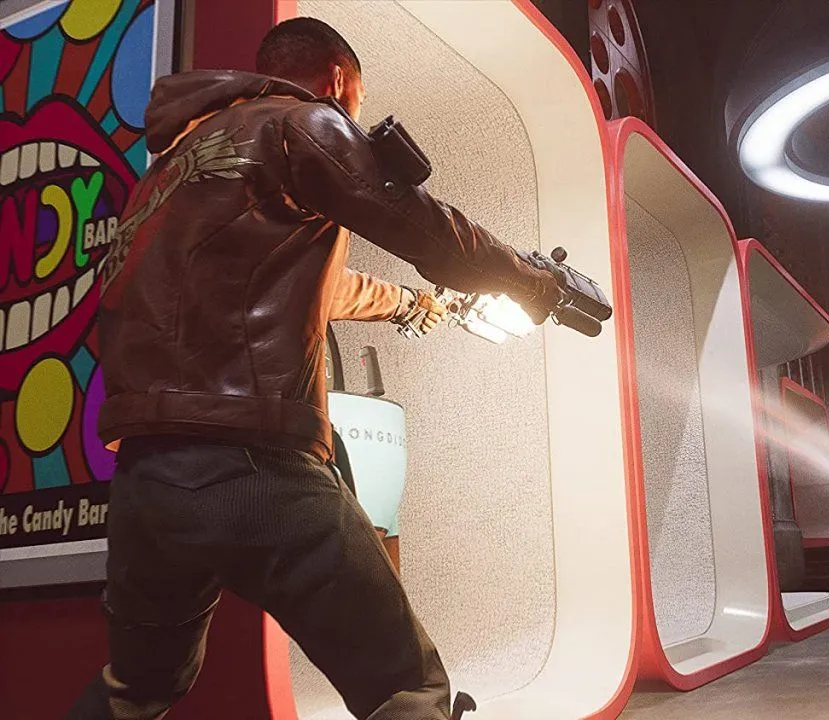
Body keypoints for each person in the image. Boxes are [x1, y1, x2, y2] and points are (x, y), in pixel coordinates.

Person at [68, 17, 564, 720]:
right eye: (356, 101)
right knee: (406, 687)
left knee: (135, 691)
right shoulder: (300, 122)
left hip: (145, 480)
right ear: (338, 81)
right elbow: (419, 223)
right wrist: (533, 281)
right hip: (250, 460)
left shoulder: (170, 172)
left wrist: (413, 304)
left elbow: (296, 282)